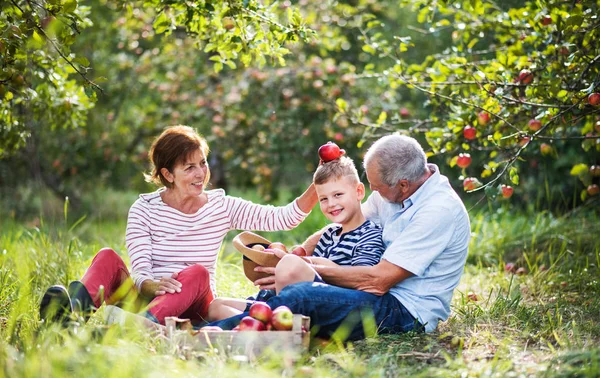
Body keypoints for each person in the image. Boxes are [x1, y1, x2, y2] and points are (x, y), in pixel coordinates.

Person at [39, 125, 317, 326]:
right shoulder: (144, 209)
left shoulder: (221, 206)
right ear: (167, 174)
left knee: (197, 273)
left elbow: (284, 217)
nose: (201, 174)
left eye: (203, 163)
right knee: (107, 257)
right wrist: (149, 285)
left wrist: (319, 184)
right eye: (189, 168)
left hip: (194, 304)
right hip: (148, 297)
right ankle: (71, 316)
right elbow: (141, 268)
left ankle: (140, 329)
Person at [211, 134, 471, 340]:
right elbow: (339, 226)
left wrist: (305, 267)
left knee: (303, 296)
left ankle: (208, 333)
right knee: (285, 297)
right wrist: (299, 252)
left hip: (404, 311)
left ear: (403, 185)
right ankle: (249, 320)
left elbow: (379, 281)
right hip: (378, 296)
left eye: (376, 186)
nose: (372, 191)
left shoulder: (438, 210)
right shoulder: (393, 194)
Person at [207, 155, 386, 319]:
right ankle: (267, 324)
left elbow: (360, 282)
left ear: (359, 192)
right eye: (323, 199)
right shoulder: (328, 235)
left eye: (338, 195)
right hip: (277, 300)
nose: (331, 204)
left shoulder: (369, 234)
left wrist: (299, 264)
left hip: (319, 299)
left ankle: (274, 323)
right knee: (216, 306)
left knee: (290, 264)